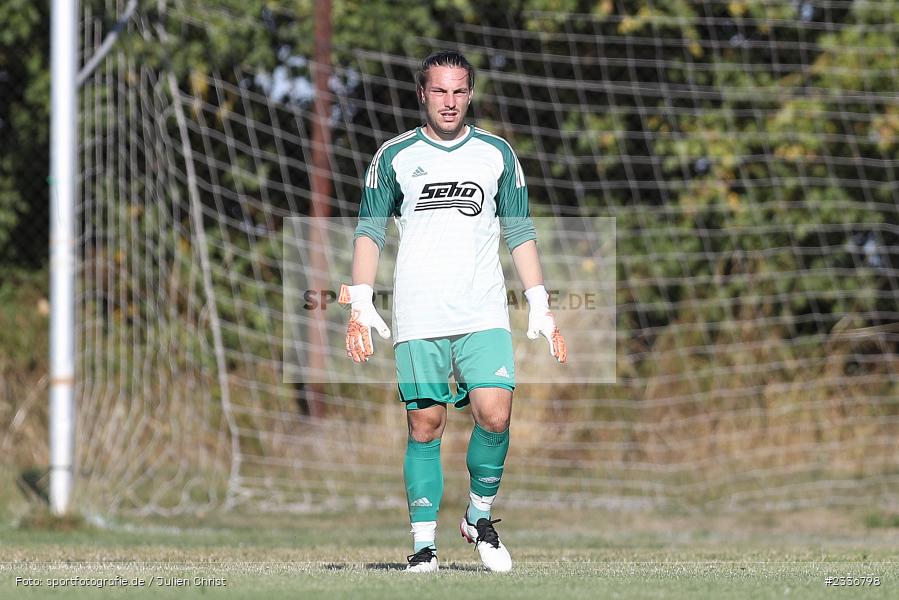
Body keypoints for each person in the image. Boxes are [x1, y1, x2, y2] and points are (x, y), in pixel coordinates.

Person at [339, 50, 567, 573]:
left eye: (458, 91)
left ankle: (478, 517)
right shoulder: (393, 156)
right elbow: (369, 231)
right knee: (426, 426)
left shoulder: (497, 154)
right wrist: (361, 298)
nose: (449, 101)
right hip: (419, 314)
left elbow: (520, 231)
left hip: (483, 310)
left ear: (470, 94)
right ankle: (423, 548)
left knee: (496, 413)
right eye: (438, 91)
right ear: (422, 94)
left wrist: (540, 303)